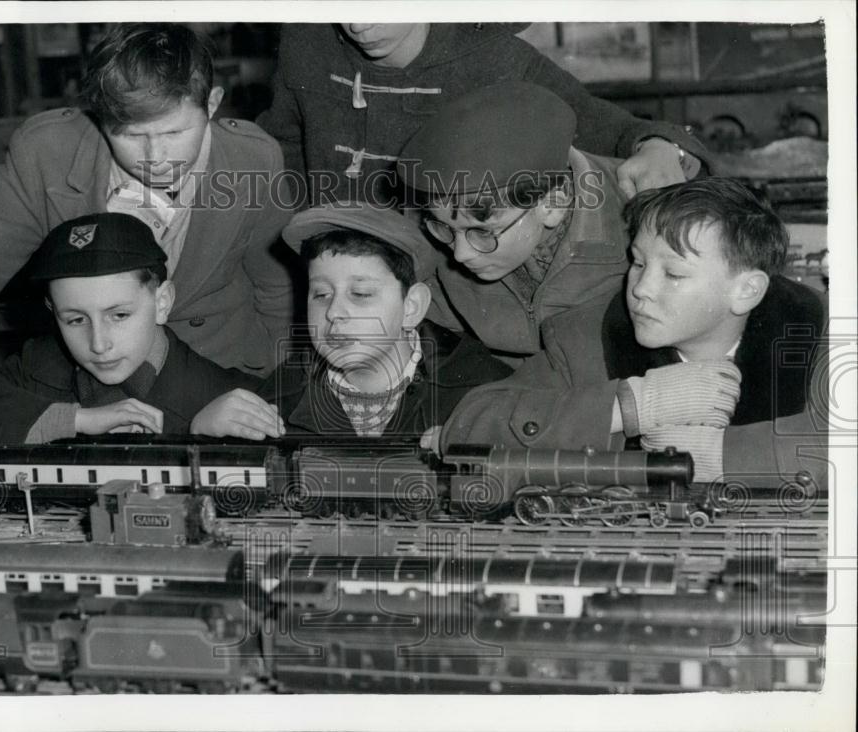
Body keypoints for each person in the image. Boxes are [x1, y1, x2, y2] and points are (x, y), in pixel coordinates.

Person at [0, 23, 294, 430]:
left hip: (218, 386)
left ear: (212, 104)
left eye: (174, 132)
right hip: (88, 392)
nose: (156, 157)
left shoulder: (252, 160)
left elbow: (276, 294)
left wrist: (276, 400)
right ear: (99, 115)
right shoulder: (48, 155)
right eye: (130, 135)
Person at [442, 178, 827, 486]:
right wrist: (632, 405)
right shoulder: (590, 336)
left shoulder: (823, 330)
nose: (640, 289)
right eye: (638, 263)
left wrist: (723, 456)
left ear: (746, 290)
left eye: (673, 274)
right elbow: (468, 428)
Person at [0, 213, 263, 444]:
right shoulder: (40, 365)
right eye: (75, 319)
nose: (98, 344)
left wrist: (197, 437)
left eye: (119, 315)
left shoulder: (223, 395)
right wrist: (75, 419)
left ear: (163, 302)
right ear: (53, 312)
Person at [256, 23, 709, 204]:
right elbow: (281, 146)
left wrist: (660, 145)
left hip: (447, 303)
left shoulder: (493, 56)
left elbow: (594, 121)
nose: (360, 24)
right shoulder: (305, 45)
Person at [193, 204, 513, 440]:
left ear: (412, 307)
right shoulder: (282, 395)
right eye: (320, 294)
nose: (334, 313)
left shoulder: (482, 391)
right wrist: (203, 434)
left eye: (360, 293)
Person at [397, 81, 630, 360]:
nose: (459, 255)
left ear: (552, 202)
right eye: (444, 229)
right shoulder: (425, 228)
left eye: (482, 232)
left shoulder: (639, 222)